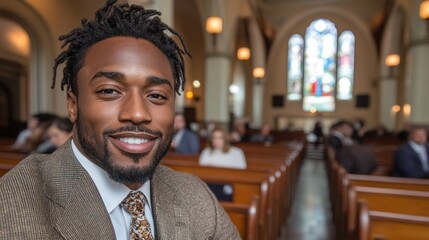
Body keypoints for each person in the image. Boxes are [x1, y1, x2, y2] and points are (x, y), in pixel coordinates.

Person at [0, 1, 240, 239]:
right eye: (109, 91)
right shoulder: (12, 206)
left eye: (156, 95)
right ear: (73, 105)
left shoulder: (196, 196)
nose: (137, 114)